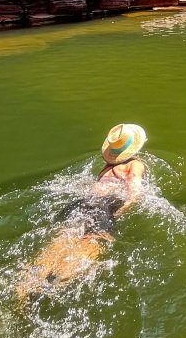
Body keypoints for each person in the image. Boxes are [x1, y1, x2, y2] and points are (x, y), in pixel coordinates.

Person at [16, 123, 147, 298]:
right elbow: (134, 187)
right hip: (104, 206)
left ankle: (25, 285)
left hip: (82, 203)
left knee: (64, 238)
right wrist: (126, 207)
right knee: (93, 244)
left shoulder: (105, 169)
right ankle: (54, 283)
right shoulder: (135, 164)